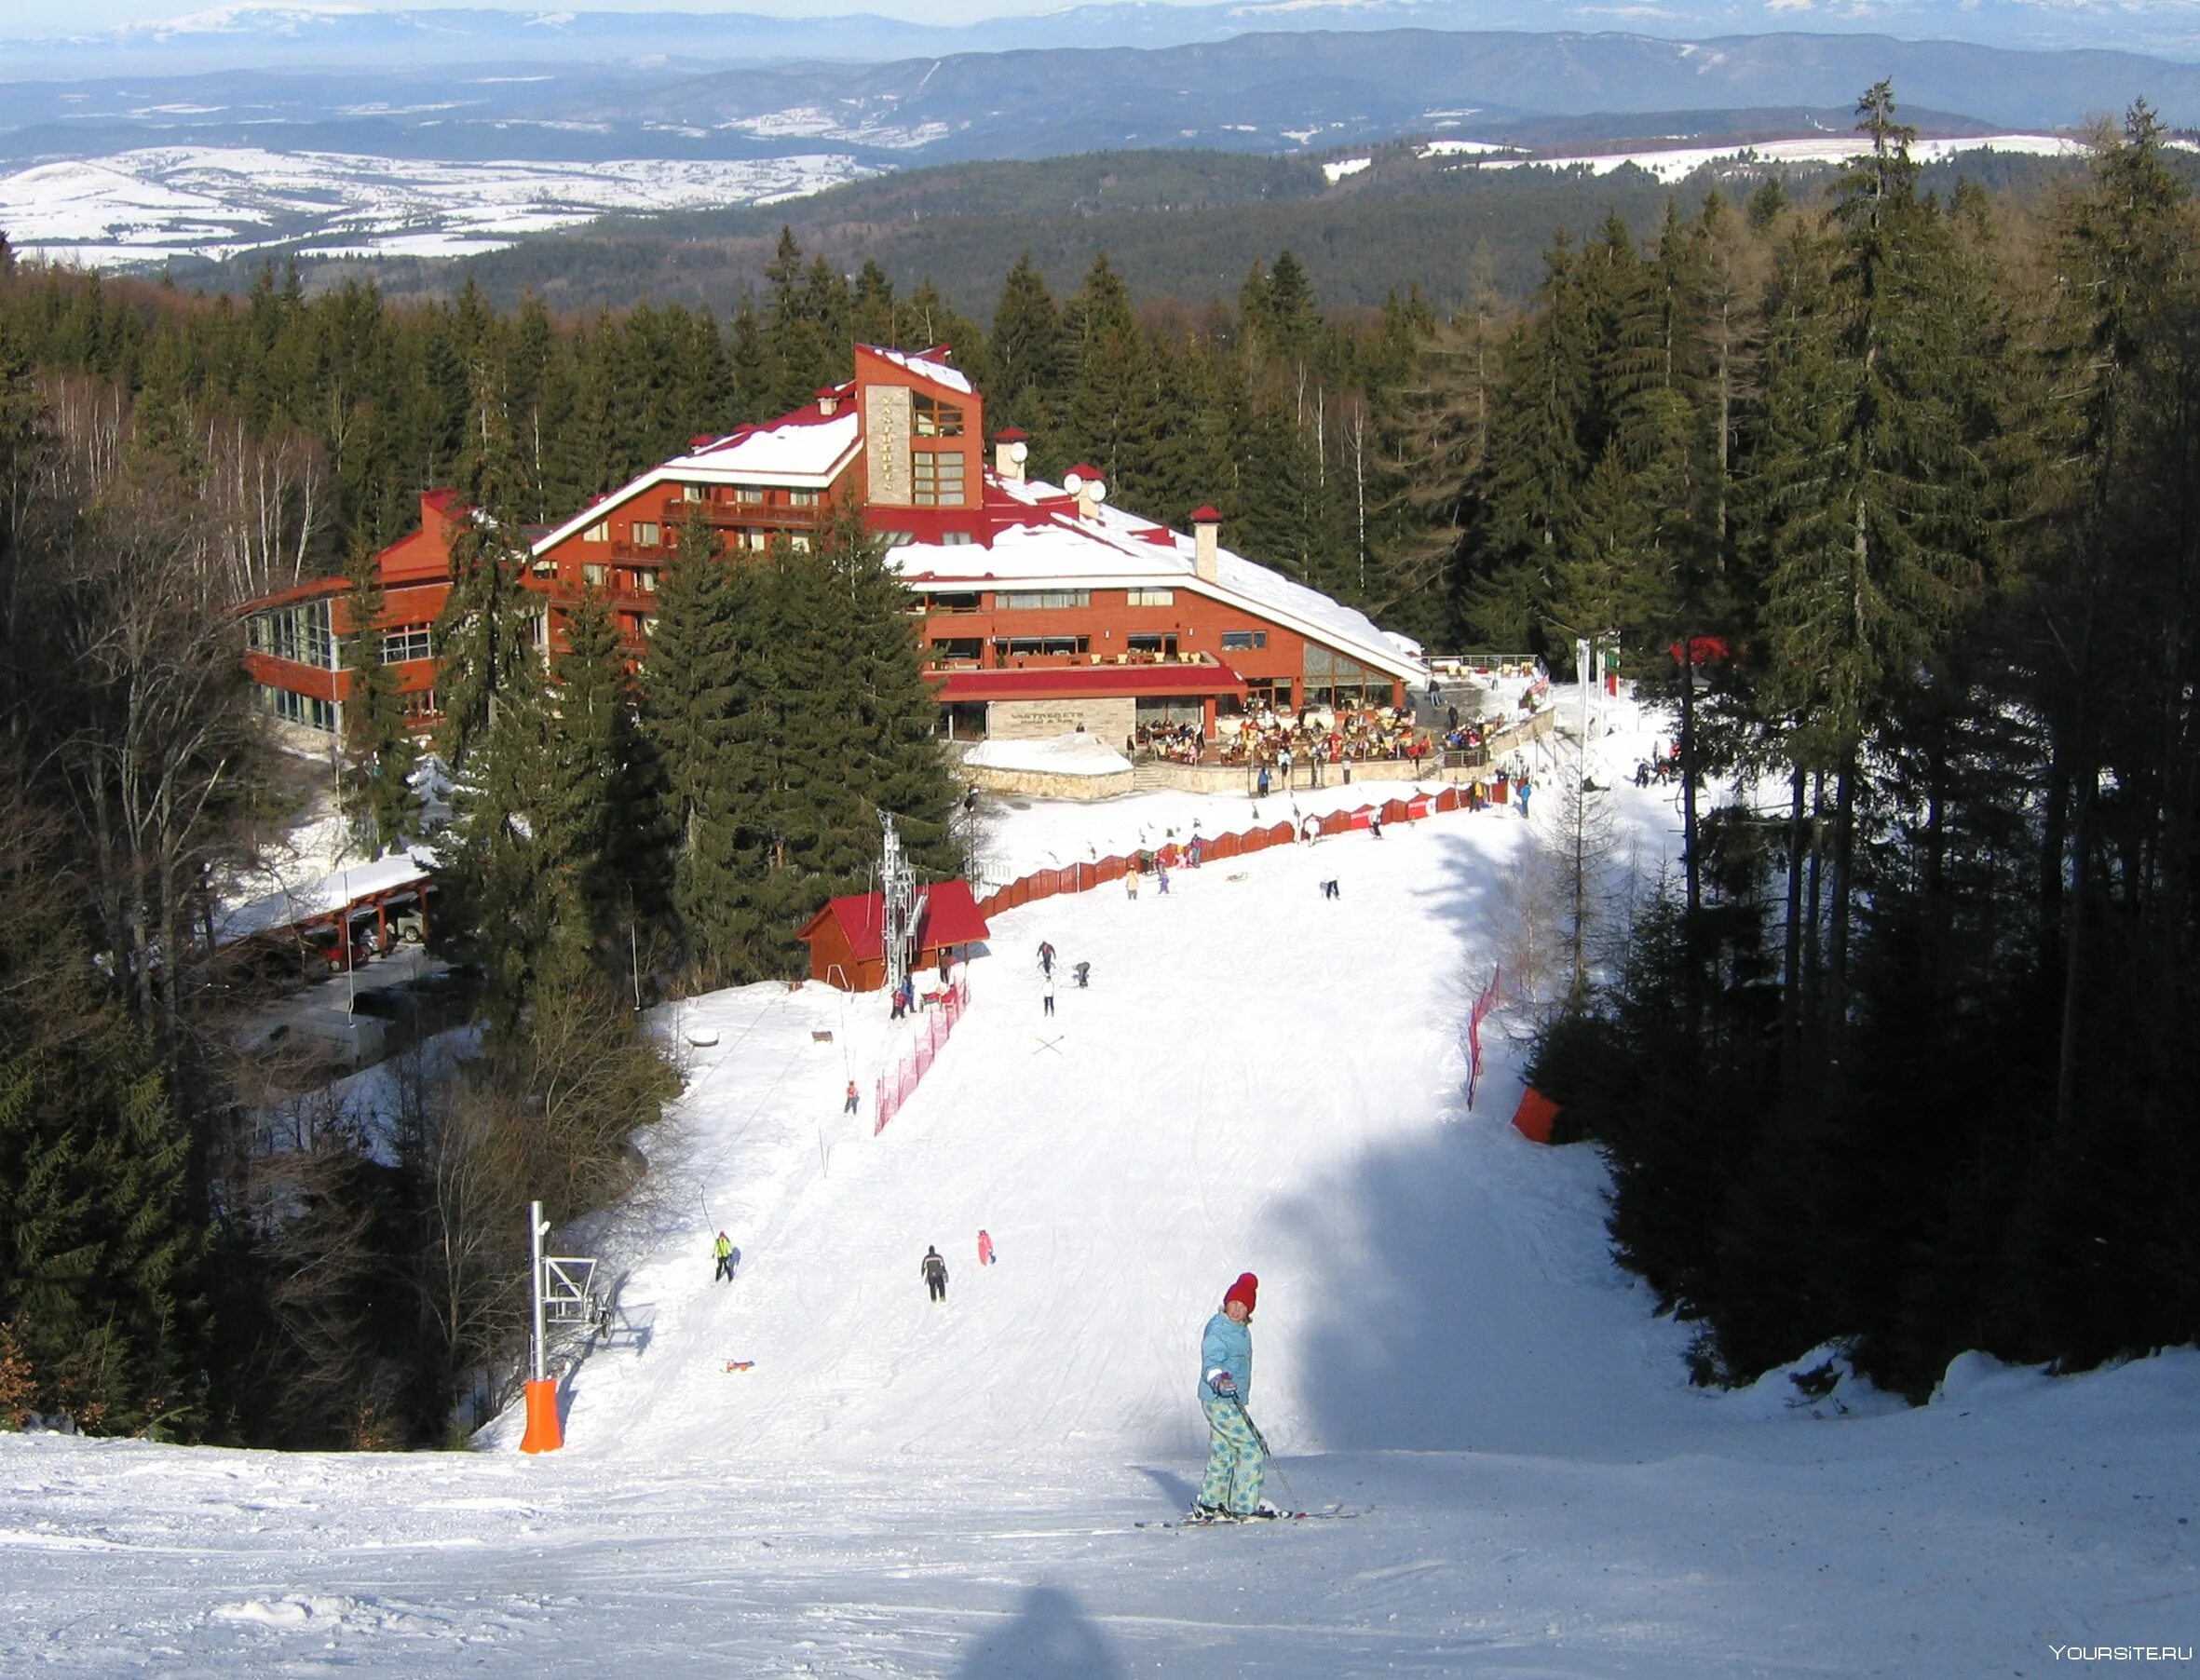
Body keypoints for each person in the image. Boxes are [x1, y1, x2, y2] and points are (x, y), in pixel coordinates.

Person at [1193, 1273, 1278, 1522]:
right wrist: (1219, 1378)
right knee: (1252, 1448)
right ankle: (1243, 1504)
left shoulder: (1239, 1330)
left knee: (1225, 1451)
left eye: (1243, 1306)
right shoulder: (1219, 1329)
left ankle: (1212, 1502)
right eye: (1234, 1303)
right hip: (1219, 1399)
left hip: (1225, 1400)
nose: (1237, 1310)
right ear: (1226, 1302)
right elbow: (1212, 1359)